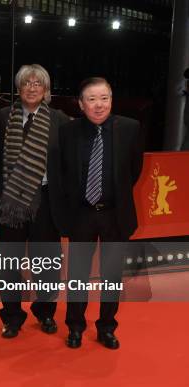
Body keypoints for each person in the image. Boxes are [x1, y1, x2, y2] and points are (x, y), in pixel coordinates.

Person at [58, 77, 143, 349]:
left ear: (111, 100)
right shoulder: (68, 132)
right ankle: (75, 327)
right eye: (92, 99)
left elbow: (134, 170)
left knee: (111, 276)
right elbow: (63, 174)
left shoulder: (130, 128)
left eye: (104, 98)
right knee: (78, 275)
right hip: (81, 214)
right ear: (81, 104)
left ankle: (107, 327)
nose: (99, 105)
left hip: (114, 214)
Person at [0, 64, 70, 339]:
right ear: (18, 88)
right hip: (10, 202)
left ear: (46, 89)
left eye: (38, 83)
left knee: (47, 262)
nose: (32, 87)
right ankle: (12, 316)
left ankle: (46, 312)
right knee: (9, 264)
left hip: (46, 202)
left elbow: (69, 164)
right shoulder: (3, 117)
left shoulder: (60, 119)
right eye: (26, 83)